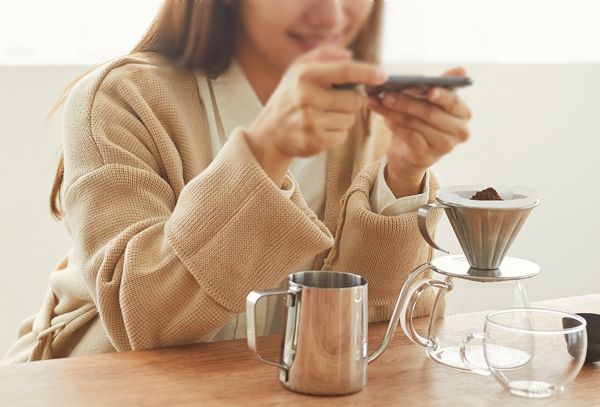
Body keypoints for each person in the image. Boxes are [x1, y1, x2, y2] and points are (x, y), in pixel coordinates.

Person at [3, 0, 471, 363]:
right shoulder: (120, 99)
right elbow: (144, 323)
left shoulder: (365, 119)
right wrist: (267, 150)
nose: (330, 14)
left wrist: (404, 176)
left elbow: (388, 330)